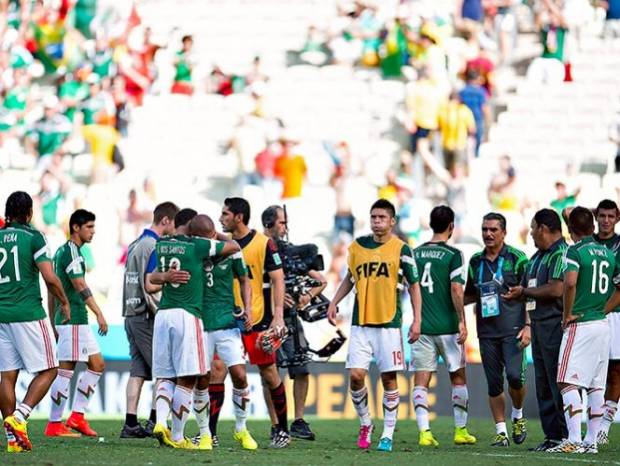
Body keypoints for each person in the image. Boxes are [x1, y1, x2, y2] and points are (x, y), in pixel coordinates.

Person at [327, 199, 422, 453]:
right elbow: (350, 277)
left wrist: (417, 320)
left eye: (382, 217)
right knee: (356, 376)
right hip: (361, 323)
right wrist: (334, 301)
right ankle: (366, 423)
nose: (377, 221)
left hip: (389, 324)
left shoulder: (402, 249)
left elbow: (414, 285)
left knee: (388, 379)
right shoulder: (357, 247)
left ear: (392, 221)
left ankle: (388, 434)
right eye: (373, 217)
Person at [151, 213, 240, 450]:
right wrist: (215, 235)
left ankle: (160, 422)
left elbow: (150, 279)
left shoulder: (162, 244)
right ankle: (178, 437)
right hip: (186, 315)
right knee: (188, 377)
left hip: (163, 314)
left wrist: (165, 277)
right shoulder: (198, 245)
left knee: (165, 375)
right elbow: (233, 246)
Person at [216, 197, 290, 448]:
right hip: (224, 318)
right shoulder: (218, 243)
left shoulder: (264, 243)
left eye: (225, 214)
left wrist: (278, 315)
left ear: (239, 217)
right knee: (217, 372)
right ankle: (210, 434)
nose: (221, 218)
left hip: (256, 318)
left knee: (269, 374)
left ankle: (282, 429)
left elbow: (278, 279)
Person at [0, 191, 70, 453]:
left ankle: (13, 441)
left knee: (6, 376)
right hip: (27, 312)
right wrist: (63, 301)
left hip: (2, 314)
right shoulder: (33, 237)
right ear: (29, 213)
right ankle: (19, 419)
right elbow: (50, 278)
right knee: (51, 368)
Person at [548, 207, 618, 454]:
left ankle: (574, 439)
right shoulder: (608, 254)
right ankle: (591, 442)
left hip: (581, 325)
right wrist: (603, 308)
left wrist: (567, 314)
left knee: (566, 382)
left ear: (571, 230)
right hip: (602, 324)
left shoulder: (574, 251)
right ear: (592, 226)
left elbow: (569, 282)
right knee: (596, 386)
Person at [190, 215, 258, 451]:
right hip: (201, 323)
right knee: (202, 378)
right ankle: (205, 433)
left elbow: (244, 280)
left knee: (240, 374)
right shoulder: (193, 251)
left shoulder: (231, 250)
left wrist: (247, 309)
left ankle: (241, 428)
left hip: (227, 322)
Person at [503, 209, 567, 451]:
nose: (530, 234)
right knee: (543, 382)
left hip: (555, 324)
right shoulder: (537, 257)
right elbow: (528, 290)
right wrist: (516, 295)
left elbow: (556, 290)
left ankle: (565, 435)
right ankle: (552, 436)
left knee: (556, 380)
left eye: (532, 229)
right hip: (539, 324)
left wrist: (525, 293)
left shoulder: (561, 254)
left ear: (543, 228)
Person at [412, 206, 476, 447]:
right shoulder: (454, 254)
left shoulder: (415, 253)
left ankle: (424, 433)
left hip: (423, 327)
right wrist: (462, 320)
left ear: (431, 224)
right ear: (451, 226)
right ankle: (460, 430)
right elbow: (457, 289)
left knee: (421, 379)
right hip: (448, 327)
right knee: (458, 377)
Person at [464, 212, 530, 447]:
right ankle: (501, 432)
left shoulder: (518, 258)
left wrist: (528, 325)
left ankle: (518, 415)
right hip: (486, 331)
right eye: (484, 229)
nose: (488, 234)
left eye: (493, 230)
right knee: (493, 383)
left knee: (514, 377)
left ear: (504, 232)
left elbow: (529, 294)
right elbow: (470, 293)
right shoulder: (475, 261)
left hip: (513, 329)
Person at [262, 205, 327, 441]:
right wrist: (276, 295)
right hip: (264, 320)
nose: (285, 227)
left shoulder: (290, 251)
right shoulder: (258, 247)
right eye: (281, 223)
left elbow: (321, 280)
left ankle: (298, 420)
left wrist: (306, 297)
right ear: (269, 223)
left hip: (290, 319)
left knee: (301, 368)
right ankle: (276, 423)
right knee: (269, 372)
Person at [44, 209, 108, 438]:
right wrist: (99, 313)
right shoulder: (70, 251)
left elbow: (52, 290)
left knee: (98, 364)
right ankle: (54, 423)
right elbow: (79, 284)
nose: (93, 231)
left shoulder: (67, 252)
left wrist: (53, 321)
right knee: (66, 370)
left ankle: (77, 416)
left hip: (75, 320)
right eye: (89, 227)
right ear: (76, 228)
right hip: (73, 320)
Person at [119, 202, 179, 438]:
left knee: (138, 372)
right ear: (165, 220)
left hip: (130, 313)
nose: (174, 229)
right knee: (164, 371)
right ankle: (156, 421)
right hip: (145, 315)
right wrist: (162, 314)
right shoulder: (153, 245)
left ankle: (130, 423)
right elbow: (150, 287)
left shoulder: (136, 243)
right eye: (174, 224)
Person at [592, 200, 620, 445]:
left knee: (614, 371)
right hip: (589, 314)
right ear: (595, 216)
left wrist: (602, 309)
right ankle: (591, 423)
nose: (606, 220)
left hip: (615, 314)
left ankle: (604, 427)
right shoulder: (587, 245)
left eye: (611, 216)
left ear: (617, 218)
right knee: (590, 371)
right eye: (602, 215)